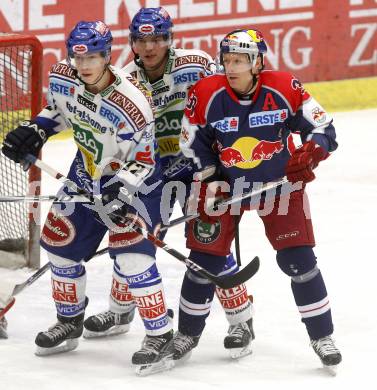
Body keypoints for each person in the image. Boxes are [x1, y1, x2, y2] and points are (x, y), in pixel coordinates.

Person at [83, 7, 255, 363]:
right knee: (131, 235)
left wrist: (227, 158)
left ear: (169, 39)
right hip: (151, 170)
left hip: (198, 168)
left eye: (157, 38)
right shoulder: (124, 78)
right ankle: (120, 310)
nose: (149, 46)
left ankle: (242, 321)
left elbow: (225, 106)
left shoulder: (196, 64)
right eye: (141, 39)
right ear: (131, 42)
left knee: (210, 244)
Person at [1, 20, 173, 375]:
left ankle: (160, 334)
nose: (84, 66)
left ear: (108, 55)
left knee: (131, 257)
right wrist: (37, 129)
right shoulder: (64, 75)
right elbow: (62, 111)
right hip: (86, 176)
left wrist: (119, 190)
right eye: (78, 58)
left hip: (139, 184)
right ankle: (69, 321)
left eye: (93, 57)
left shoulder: (132, 102)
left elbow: (145, 160)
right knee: (59, 244)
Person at [178, 28, 342, 370]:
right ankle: (186, 335)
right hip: (225, 186)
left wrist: (312, 152)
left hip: (279, 185)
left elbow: (324, 129)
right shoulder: (206, 93)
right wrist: (210, 174)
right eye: (227, 60)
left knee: (299, 262)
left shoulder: (284, 87)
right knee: (203, 264)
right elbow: (190, 143)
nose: (231, 66)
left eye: (240, 60)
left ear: (257, 62)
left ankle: (322, 336)